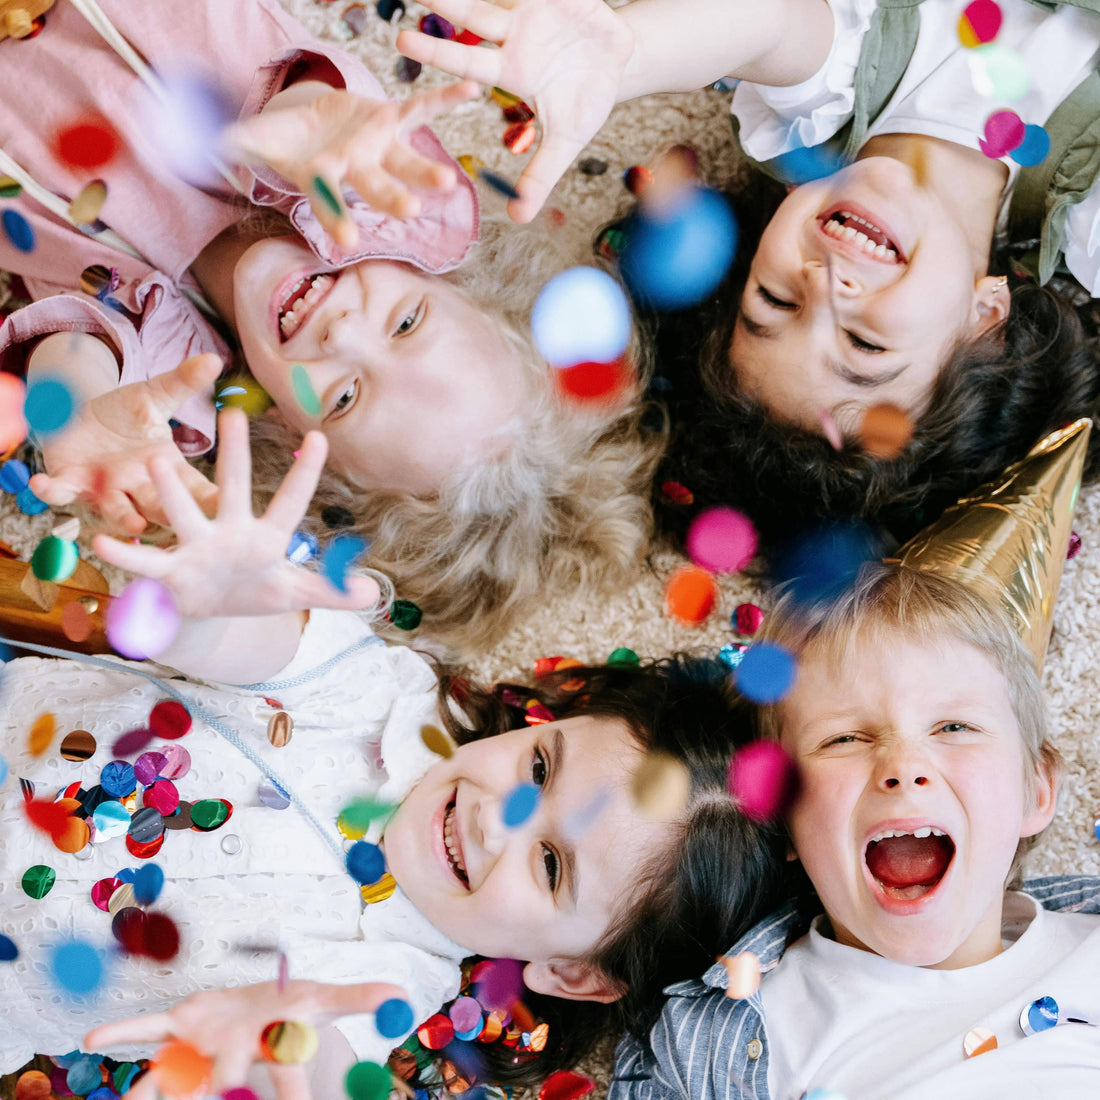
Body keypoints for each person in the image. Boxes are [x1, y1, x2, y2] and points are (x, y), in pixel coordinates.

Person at [0, 410, 786, 1098]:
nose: (496, 819)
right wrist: (215, 600)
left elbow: (319, 1068)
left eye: (551, 865)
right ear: (548, 721)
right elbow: (246, 642)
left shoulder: (386, 986)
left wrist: (277, 1051)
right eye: (540, 769)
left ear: (572, 973)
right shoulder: (382, 694)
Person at [0, 0, 663, 653]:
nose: (342, 333)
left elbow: (82, 354)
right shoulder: (364, 174)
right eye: (407, 321)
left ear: (292, 438)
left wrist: (79, 414)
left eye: (344, 397)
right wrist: (311, 120)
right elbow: (302, 100)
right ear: (455, 274)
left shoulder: (176, 384)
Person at [399, 0, 1100, 546]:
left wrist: (628, 55)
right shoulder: (1087, 220)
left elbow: (763, 20)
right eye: (864, 345)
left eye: (775, 300)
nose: (823, 288)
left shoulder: (820, 103)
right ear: (986, 323)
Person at [609, 562, 1100, 1099]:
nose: (904, 766)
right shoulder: (736, 1033)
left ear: (1037, 790)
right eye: (844, 739)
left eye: (954, 727)